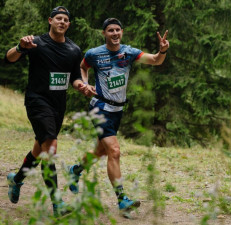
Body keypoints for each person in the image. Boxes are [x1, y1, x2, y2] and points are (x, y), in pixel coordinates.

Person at [68, 18, 169, 217]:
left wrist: (163, 50)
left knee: (101, 151)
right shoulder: (94, 54)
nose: (114, 33)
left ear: (122, 32)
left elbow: (156, 60)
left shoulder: (129, 53)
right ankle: (122, 200)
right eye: (110, 30)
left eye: (117, 30)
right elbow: (82, 67)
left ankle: (76, 170)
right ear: (104, 33)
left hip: (117, 111)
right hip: (100, 107)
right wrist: (86, 84)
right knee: (114, 151)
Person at [5, 6, 92, 217]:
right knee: (51, 147)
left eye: (65, 20)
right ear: (50, 20)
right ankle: (57, 203)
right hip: (37, 100)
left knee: (40, 148)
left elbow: (75, 77)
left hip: (58, 105)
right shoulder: (36, 42)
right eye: (58, 18)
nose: (62, 22)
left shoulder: (73, 50)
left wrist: (81, 85)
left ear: (69, 24)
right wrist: (19, 46)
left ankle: (16, 180)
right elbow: (8, 58)